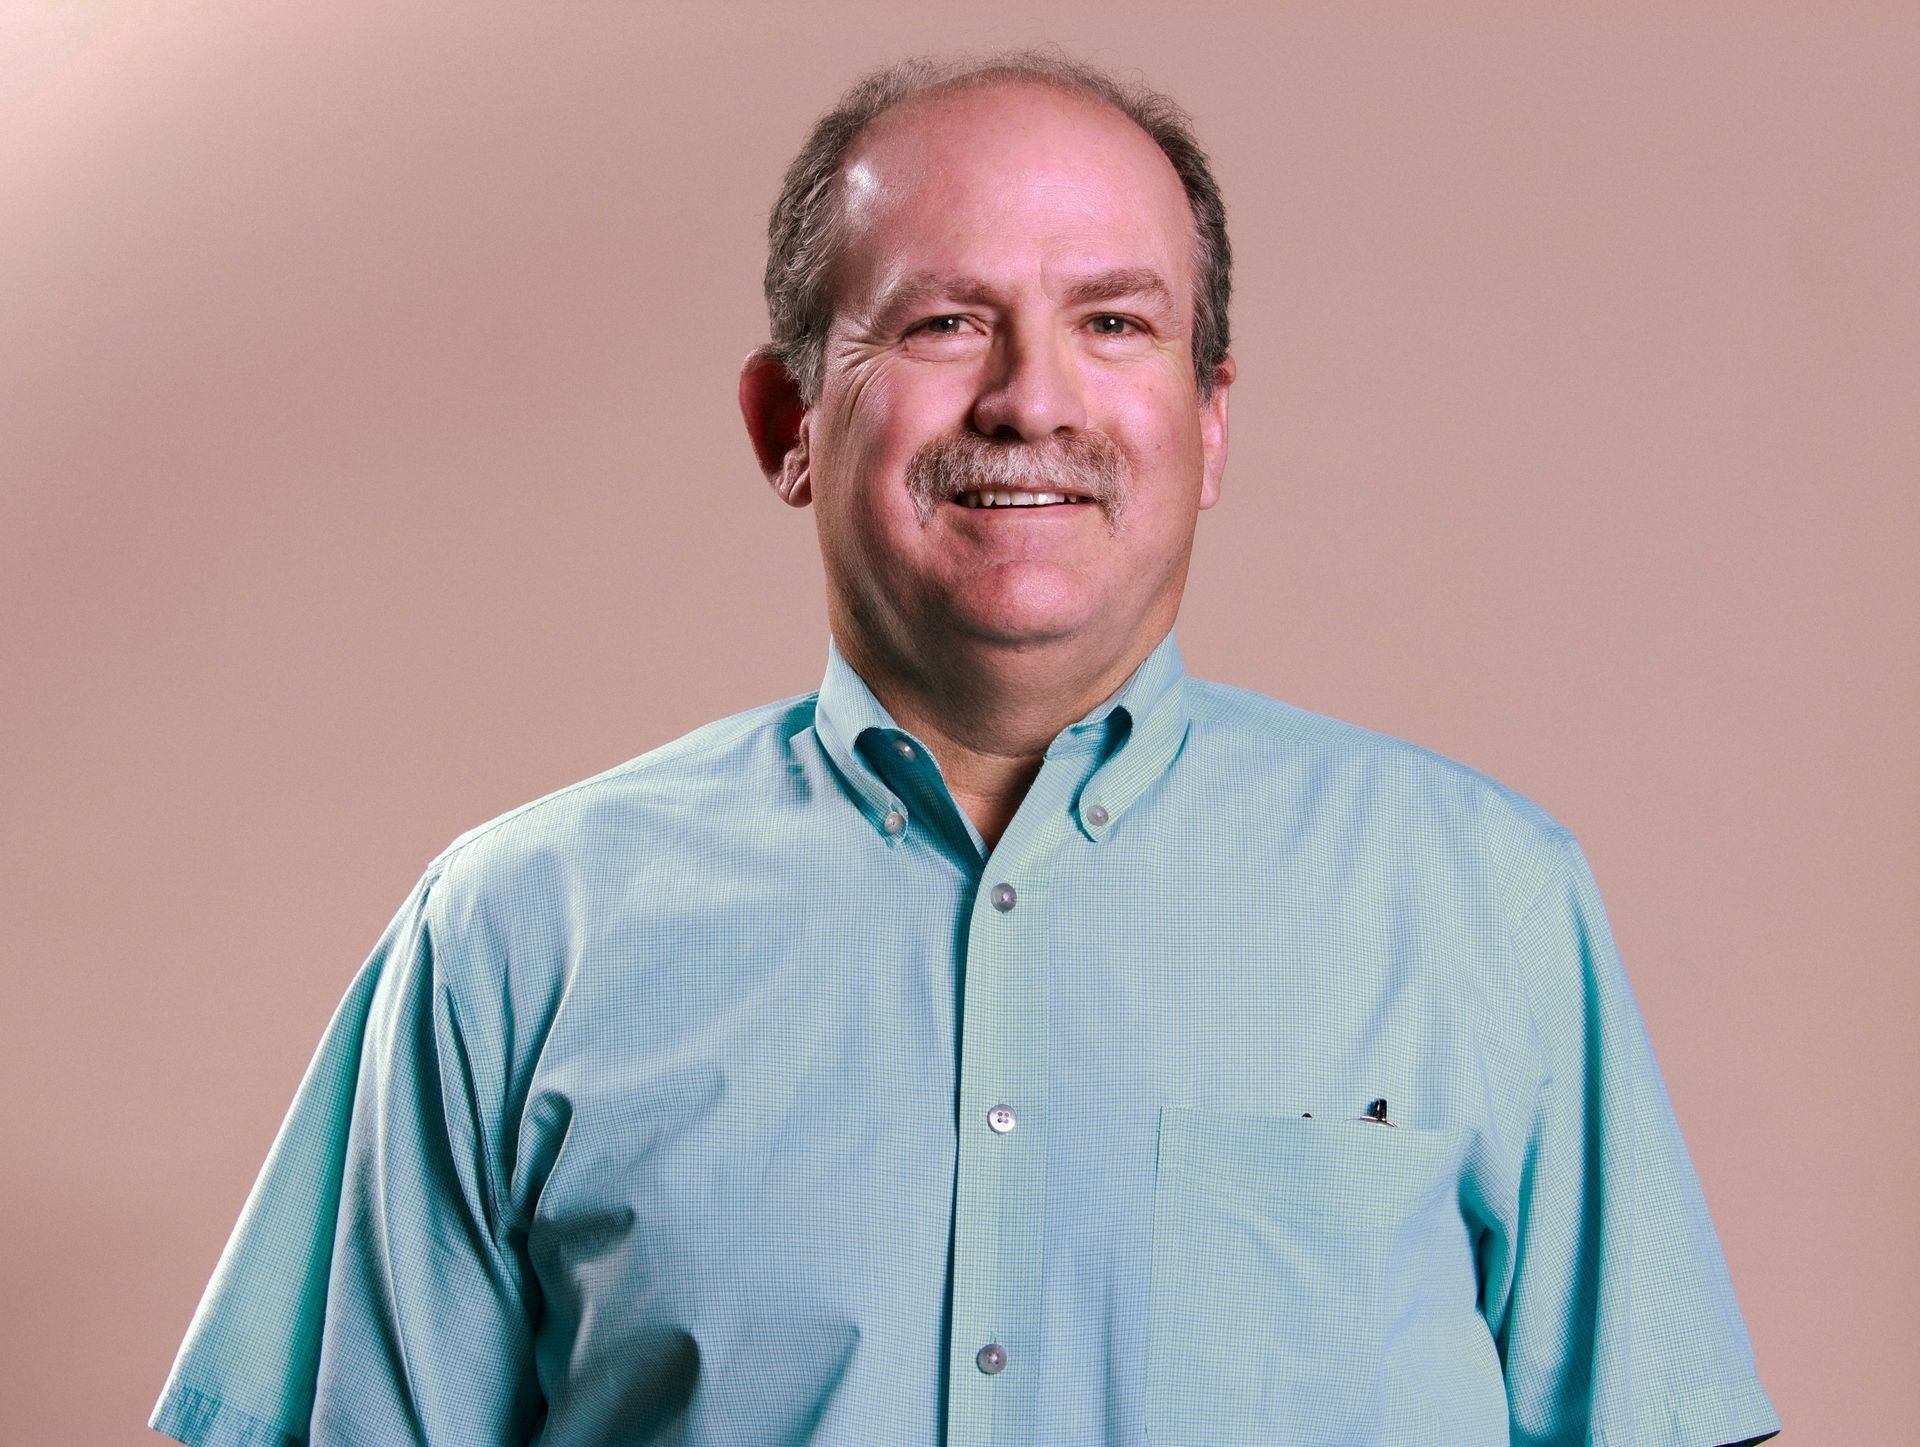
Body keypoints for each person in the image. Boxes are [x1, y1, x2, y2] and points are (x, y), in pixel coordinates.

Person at [152, 50, 1780, 1447]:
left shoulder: (1486, 906)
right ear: (788, 424)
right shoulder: (513, 936)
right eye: (942, 321)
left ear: (1209, 422)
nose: (1029, 400)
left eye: (1116, 324)